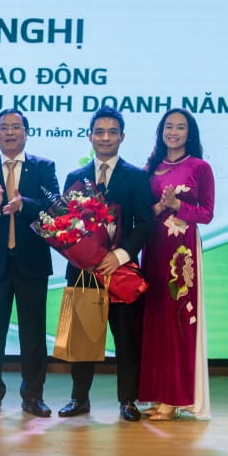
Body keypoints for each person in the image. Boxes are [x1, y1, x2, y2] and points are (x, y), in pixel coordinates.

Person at [56, 106, 154, 422]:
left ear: (122, 137)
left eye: (112, 132)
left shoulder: (136, 177)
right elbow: (66, 226)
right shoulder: (76, 178)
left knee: (126, 339)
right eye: (99, 132)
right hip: (83, 272)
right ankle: (79, 399)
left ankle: (128, 401)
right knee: (82, 338)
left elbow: (145, 222)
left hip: (121, 272)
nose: (105, 137)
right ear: (90, 136)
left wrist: (119, 255)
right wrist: (83, 256)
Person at [0, 109, 59, 418]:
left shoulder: (43, 168)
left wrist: (25, 205)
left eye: (15, 127)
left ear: (26, 133)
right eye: (3, 127)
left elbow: (55, 207)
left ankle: (33, 396)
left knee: (33, 335)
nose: (9, 132)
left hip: (32, 264)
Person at [138, 108, 215, 421]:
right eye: (168, 126)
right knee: (154, 323)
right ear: (161, 131)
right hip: (153, 250)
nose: (173, 132)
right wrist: (160, 207)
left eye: (180, 127)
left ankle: (175, 397)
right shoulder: (150, 168)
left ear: (189, 133)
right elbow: (142, 212)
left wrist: (177, 205)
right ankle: (158, 395)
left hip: (182, 255)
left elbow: (207, 214)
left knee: (177, 323)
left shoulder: (200, 168)